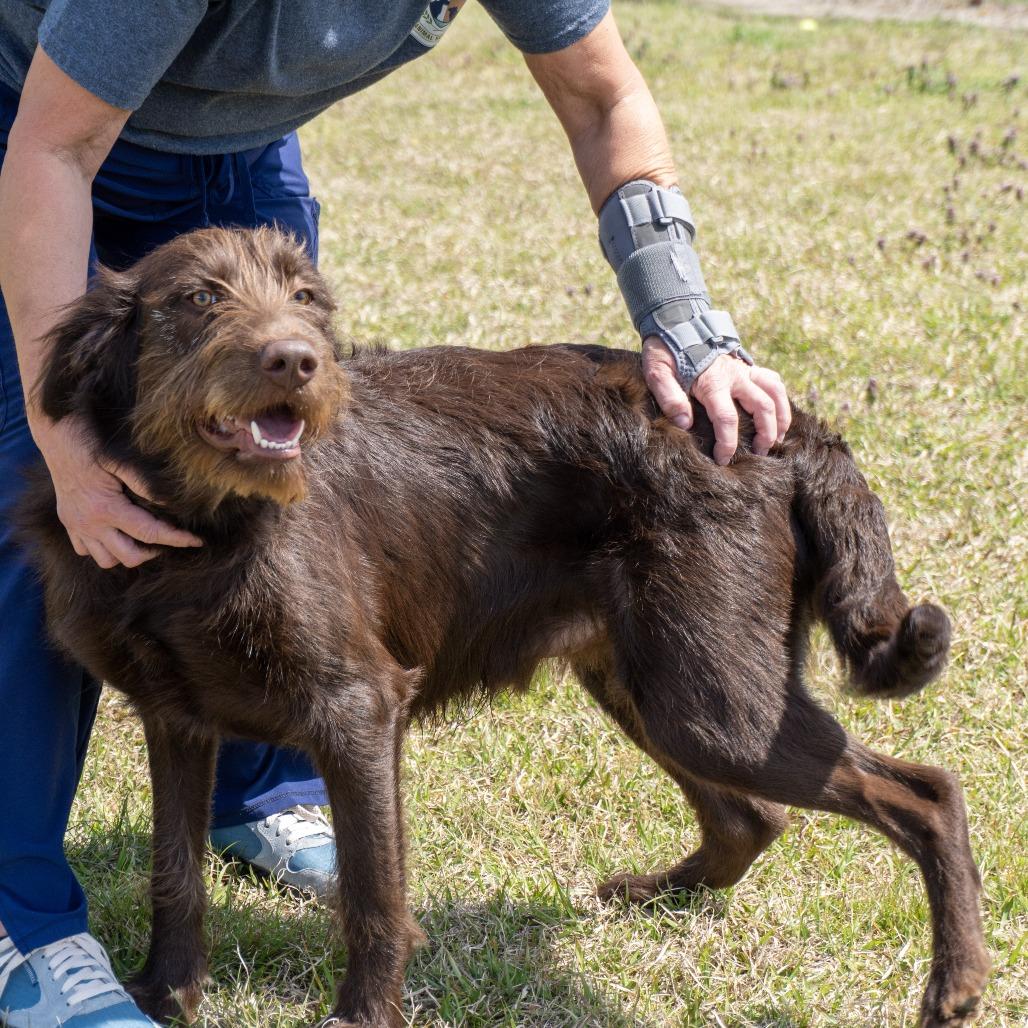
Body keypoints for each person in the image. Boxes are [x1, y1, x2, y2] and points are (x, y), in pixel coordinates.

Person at [0, 2, 791, 1024]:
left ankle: (254, 792)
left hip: (238, 159)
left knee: (275, 510)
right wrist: (59, 438)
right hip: (40, 142)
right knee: (49, 526)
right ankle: (21, 911)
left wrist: (682, 318)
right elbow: (55, 146)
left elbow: (603, 95)